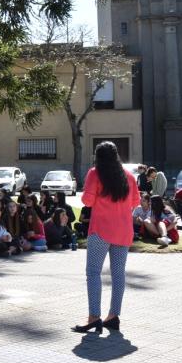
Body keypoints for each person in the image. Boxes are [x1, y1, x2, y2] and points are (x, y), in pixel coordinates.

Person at [73, 141, 140, 334]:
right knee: (118, 274)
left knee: (93, 272)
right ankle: (113, 316)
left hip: (101, 230)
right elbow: (135, 202)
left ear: (97, 156)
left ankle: (94, 316)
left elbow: (87, 200)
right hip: (123, 231)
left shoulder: (95, 173)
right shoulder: (128, 176)